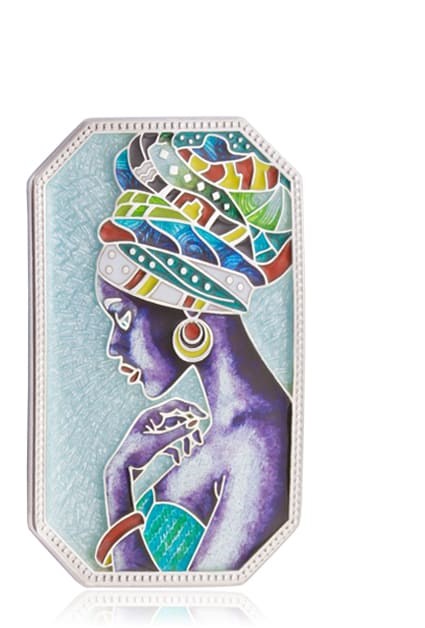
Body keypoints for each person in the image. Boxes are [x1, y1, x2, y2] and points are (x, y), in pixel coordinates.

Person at [93, 130, 293, 572]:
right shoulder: (224, 429)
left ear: (188, 308)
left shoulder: (256, 442)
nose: (113, 345)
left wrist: (118, 483)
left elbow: (178, 605)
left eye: (123, 317)